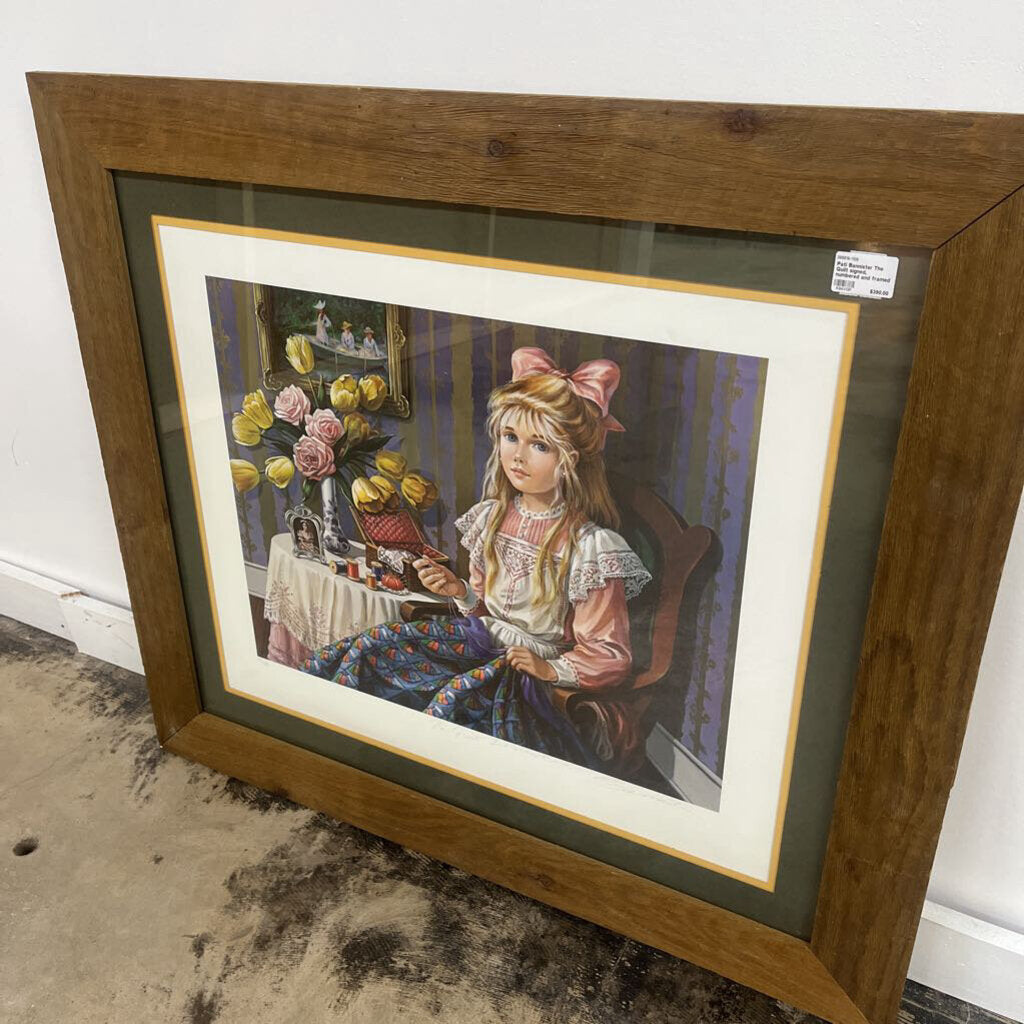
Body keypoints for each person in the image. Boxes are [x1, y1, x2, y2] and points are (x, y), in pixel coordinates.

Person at [300, 347, 651, 770]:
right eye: (510, 437)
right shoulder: (493, 517)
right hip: (476, 636)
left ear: (569, 459)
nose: (518, 455)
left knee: (446, 707)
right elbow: (484, 607)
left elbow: (610, 654)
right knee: (367, 651)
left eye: (539, 445)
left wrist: (548, 667)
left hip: (521, 669)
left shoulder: (590, 547)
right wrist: (460, 591)